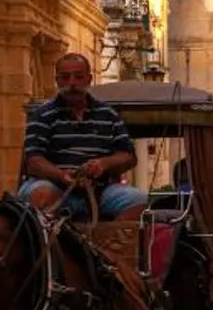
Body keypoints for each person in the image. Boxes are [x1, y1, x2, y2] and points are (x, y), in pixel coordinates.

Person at [17, 53, 146, 223]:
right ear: (57, 80)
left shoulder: (108, 114)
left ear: (88, 79)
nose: (72, 83)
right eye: (65, 77)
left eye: (78, 77)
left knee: (137, 200)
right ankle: (50, 247)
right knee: (42, 195)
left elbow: (128, 156)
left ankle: (110, 245)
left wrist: (102, 164)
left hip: (100, 191)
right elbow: (34, 161)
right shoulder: (43, 115)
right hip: (54, 188)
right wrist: (62, 176)